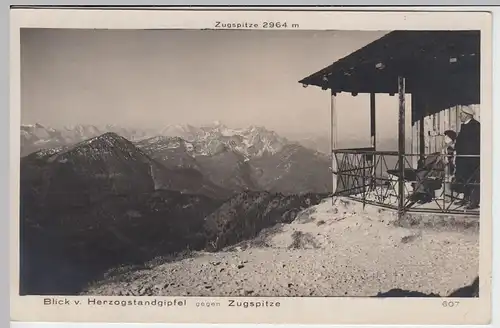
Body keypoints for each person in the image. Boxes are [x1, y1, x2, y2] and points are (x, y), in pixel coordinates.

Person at [452, 106, 481, 210]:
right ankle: (466, 198)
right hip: (463, 159)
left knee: (472, 180)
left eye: (461, 114)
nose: (460, 116)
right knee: (464, 179)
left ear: (467, 115)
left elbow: (475, 143)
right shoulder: (464, 126)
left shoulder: (476, 126)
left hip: (471, 159)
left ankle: (473, 202)